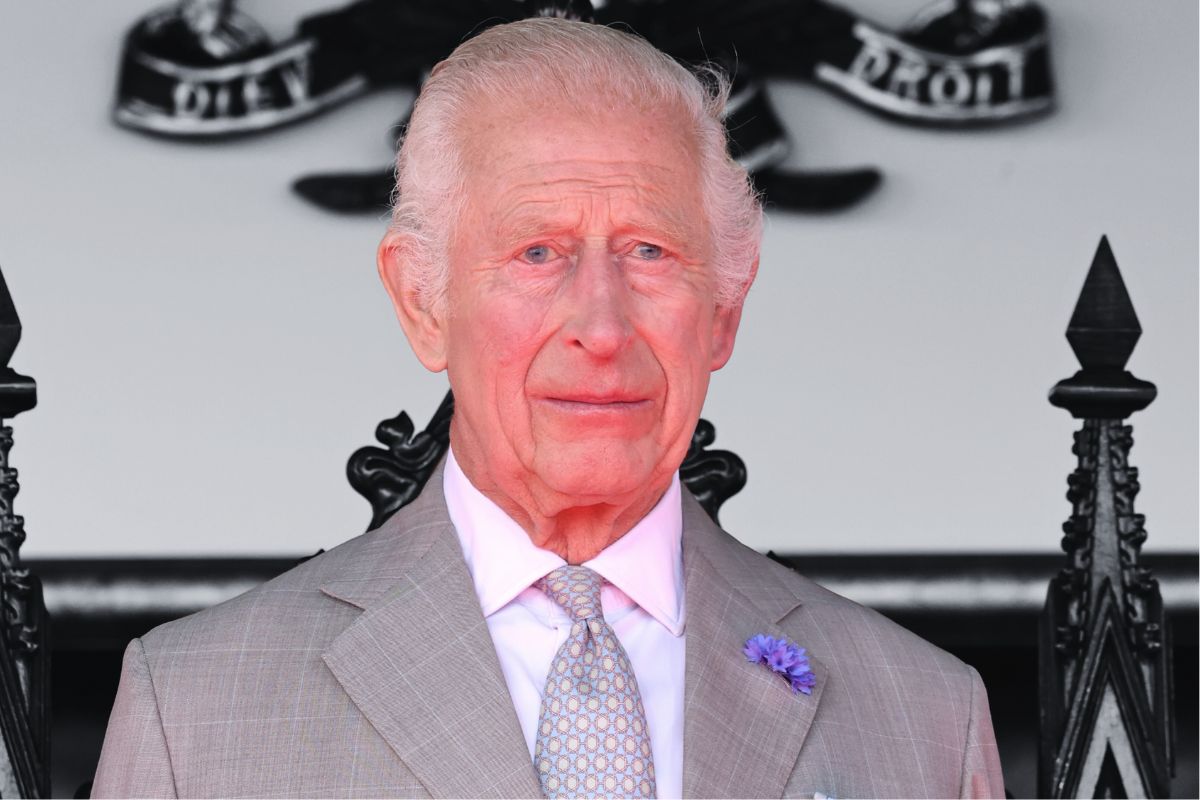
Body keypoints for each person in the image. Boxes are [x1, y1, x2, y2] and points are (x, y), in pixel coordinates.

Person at [93, 17, 1004, 799]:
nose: (601, 326)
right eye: (537, 253)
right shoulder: (195, 707)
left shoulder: (927, 714)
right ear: (422, 302)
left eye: (650, 252)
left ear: (724, 310)